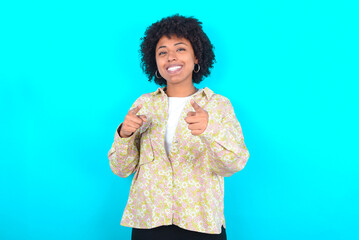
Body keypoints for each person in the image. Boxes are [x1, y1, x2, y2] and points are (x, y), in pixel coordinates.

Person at [108, 14, 250, 240]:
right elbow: (120, 169)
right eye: (162, 52)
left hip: (201, 224)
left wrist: (209, 129)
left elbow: (234, 164)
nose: (170, 57)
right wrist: (124, 133)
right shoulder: (143, 104)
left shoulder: (217, 105)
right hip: (149, 223)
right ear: (154, 62)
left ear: (196, 57)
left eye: (180, 49)